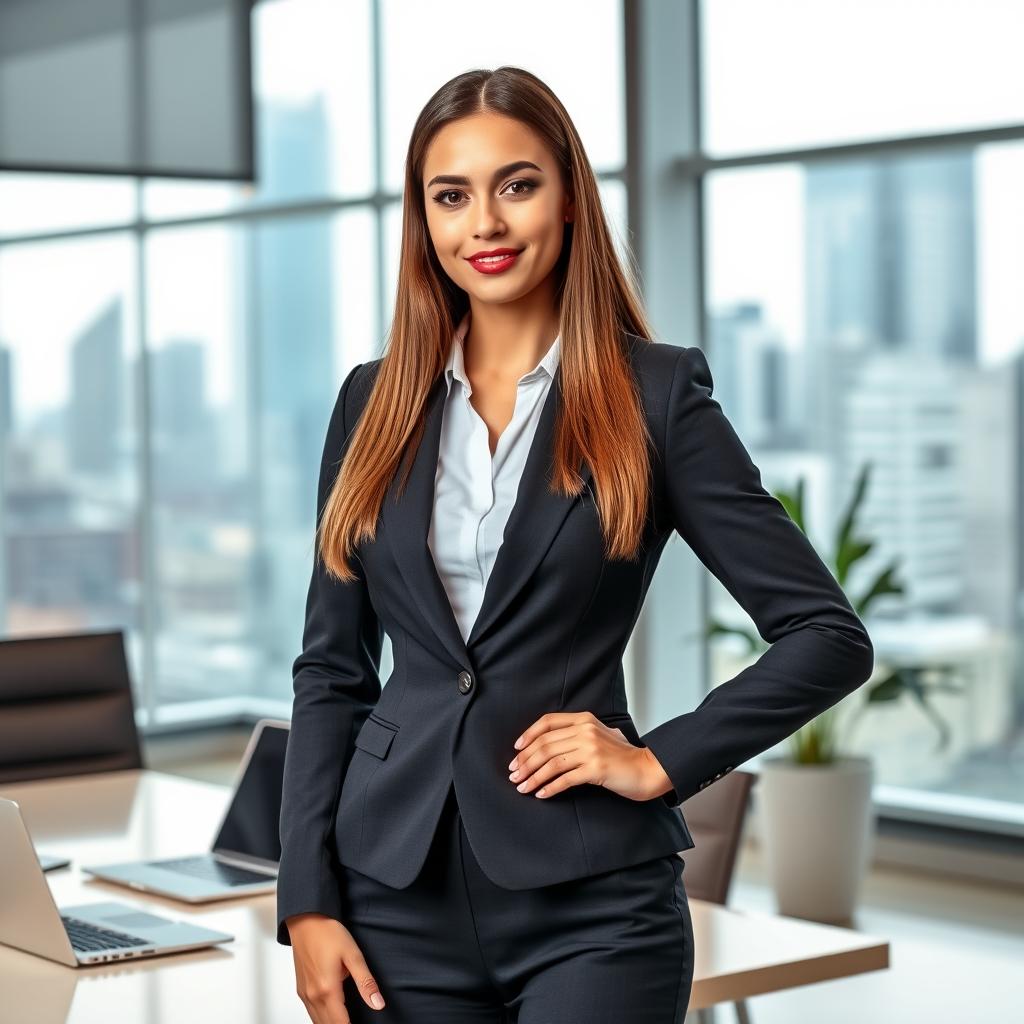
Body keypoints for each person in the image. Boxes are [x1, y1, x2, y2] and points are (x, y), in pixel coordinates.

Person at [276, 65, 874, 1024]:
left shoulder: (657, 398)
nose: (486, 224)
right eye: (452, 195)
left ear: (568, 200)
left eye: (517, 185)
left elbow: (826, 634)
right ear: (424, 221)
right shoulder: (370, 401)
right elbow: (331, 670)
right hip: (390, 894)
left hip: (592, 906)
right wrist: (305, 897)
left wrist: (660, 760)